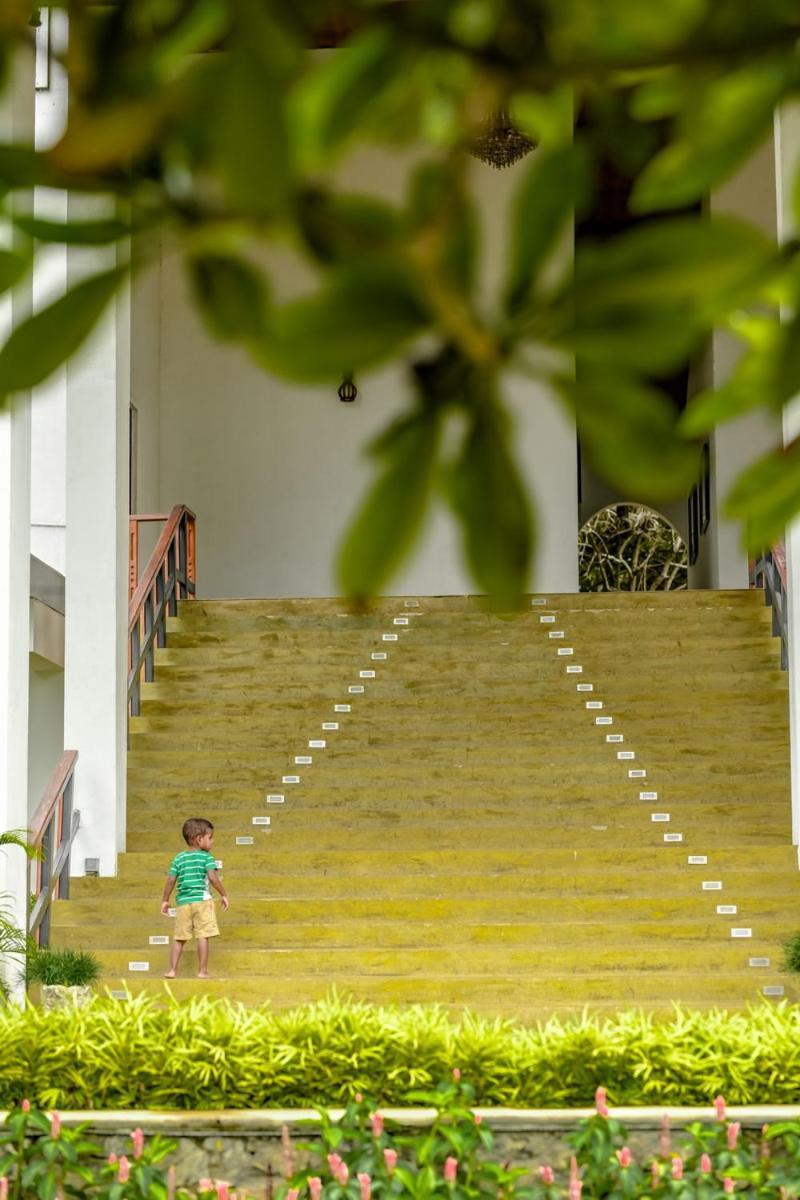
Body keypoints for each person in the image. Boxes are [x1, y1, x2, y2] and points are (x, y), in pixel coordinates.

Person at [161, 817, 229, 979]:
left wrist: (165, 900)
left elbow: (171, 879)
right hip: (202, 901)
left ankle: (172, 970)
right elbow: (213, 878)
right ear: (199, 839)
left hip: (183, 903)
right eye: (210, 837)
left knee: (179, 938)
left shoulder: (178, 858)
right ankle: (202, 971)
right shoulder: (207, 858)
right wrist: (224, 894)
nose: (212, 841)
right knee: (202, 936)